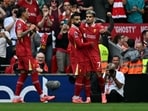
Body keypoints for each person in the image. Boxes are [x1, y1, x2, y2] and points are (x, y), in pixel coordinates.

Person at [12, 7, 55, 103]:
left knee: (23, 73)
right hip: (24, 52)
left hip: (23, 51)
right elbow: (19, 35)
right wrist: (29, 29)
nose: (29, 14)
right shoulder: (20, 23)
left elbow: (25, 37)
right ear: (23, 13)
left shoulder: (22, 23)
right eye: (27, 12)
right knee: (34, 71)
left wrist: (32, 31)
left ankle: (16, 97)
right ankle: (42, 95)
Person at [80, 10, 107, 103]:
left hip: (95, 54)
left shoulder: (98, 27)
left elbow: (104, 30)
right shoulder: (82, 26)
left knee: (99, 75)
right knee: (87, 76)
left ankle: (103, 94)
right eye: (87, 17)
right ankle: (88, 98)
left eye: (90, 17)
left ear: (94, 18)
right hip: (85, 55)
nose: (88, 18)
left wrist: (104, 31)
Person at [68, 12, 94, 103]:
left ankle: (88, 98)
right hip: (78, 57)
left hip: (84, 56)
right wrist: (90, 43)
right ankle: (75, 97)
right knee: (80, 76)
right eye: (76, 19)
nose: (78, 21)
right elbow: (79, 44)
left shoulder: (78, 29)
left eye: (79, 19)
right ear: (72, 20)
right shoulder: (73, 31)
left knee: (87, 76)